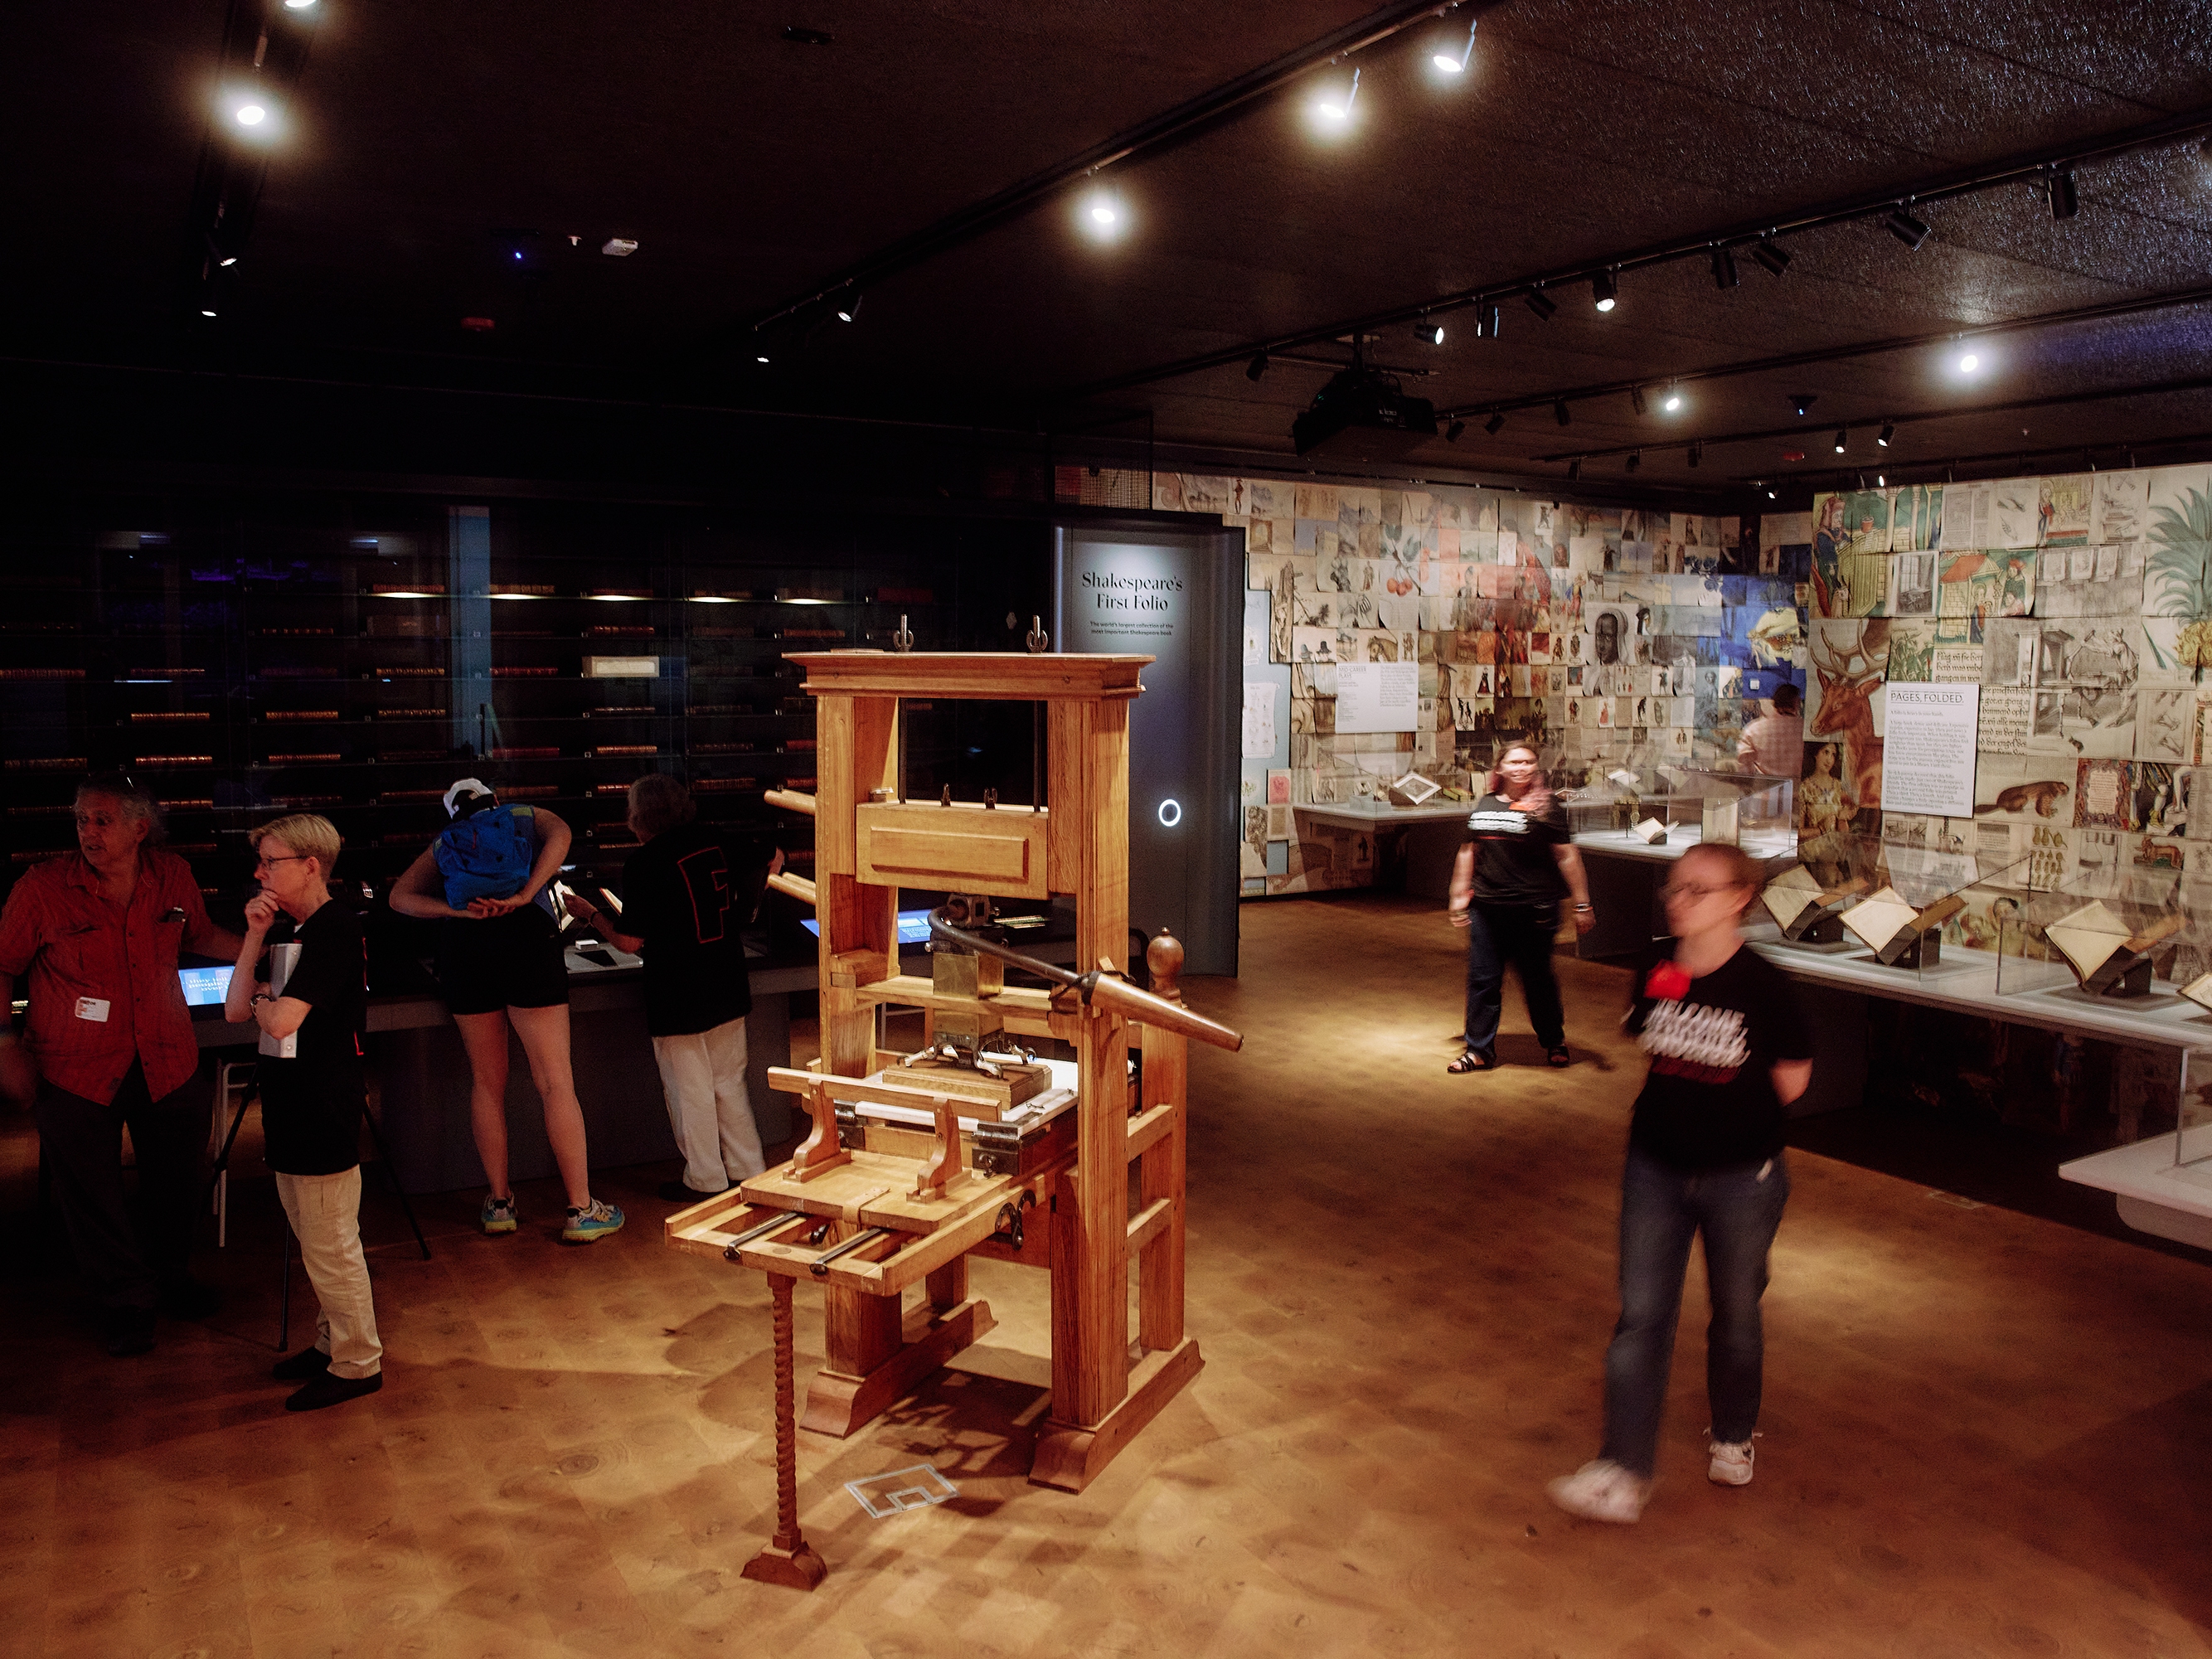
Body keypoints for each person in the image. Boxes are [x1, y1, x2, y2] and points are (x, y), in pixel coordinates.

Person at [1546, 842, 1814, 1525]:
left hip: (1740, 1176)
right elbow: (1645, 1038)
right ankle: (1623, 1465)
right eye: (1676, 886)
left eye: (1698, 888)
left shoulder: (1765, 986)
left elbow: (1791, 1079)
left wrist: (1728, 1123)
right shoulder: (1657, 967)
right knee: (1641, 1314)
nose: (1679, 898)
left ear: (1738, 898)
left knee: (1737, 1312)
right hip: (1656, 1165)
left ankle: (1732, 1431)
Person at [0, 774, 245, 1355]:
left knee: (176, 1180)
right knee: (92, 1195)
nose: (88, 831)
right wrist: (5, 1046)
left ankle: (171, 1278)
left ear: (140, 827)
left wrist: (278, 950)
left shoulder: (173, 876)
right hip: (75, 1068)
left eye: (102, 819)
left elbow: (203, 935)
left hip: (167, 1058)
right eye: (81, 819)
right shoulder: (43, 888)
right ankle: (126, 1301)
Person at [389, 779, 623, 1244]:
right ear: (493, 800)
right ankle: (580, 1209)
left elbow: (399, 898)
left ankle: (499, 1204)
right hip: (527, 939)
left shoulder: (443, 843)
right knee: (555, 1081)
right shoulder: (523, 815)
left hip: (465, 948)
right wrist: (524, 895)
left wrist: (458, 914)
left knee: (486, 1082)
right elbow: (562, 837)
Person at [224, 815, 384, 1411]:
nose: (260, 872)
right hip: (292, 1103)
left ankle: (358, 1361)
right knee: (311, 1234)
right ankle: (329, 1341)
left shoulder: (335, 927)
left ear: (311, 865)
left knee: (330, 1240)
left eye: (271, 861)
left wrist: (269, 999)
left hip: (322, 1106)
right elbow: (239, 1009)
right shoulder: (296, 931)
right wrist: (251, 937)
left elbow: (281, 1018)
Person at [564, 775, 780, 1203]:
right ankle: (748, 1169)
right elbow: (772, 857)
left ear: (639, 817)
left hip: (677, 990)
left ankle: (704, 1179)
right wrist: (743, 908)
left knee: (688, 1090)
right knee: (728, 1082)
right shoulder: (714, 839)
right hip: (726, 977)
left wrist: (591, 915)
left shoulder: (645, 863)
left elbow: (629, 941)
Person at [1444, 743, 1595, 1073]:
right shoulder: (1485, 803)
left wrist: (1581, 903)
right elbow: (1468, 850)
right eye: (1514, 761)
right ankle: (1479, 1050)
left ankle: (1554, 1039)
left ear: (1536, 767)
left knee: (1537, 978)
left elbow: (1567, 856)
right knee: (1483, 979)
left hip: (1534, 908)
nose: (1521, 767)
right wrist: (1459, 893)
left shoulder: (1547, 807)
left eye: (1528, 762)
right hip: (1487, 908)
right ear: (1500, 768)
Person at [1736, 682, 1803, 777]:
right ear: (1796, 703)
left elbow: (1744, 765)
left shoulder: (1754, 729)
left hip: (1763, 789)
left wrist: (1747, 788)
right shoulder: (1805, 730)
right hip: (1796, 789)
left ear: (1774, 702)